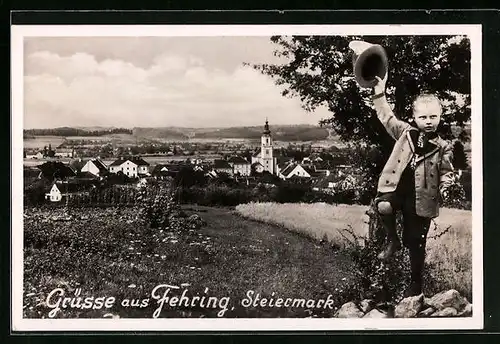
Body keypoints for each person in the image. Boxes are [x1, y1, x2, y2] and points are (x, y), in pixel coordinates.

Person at [371, 73, 455, 297]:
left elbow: (447, 172)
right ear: (414, 117)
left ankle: (415, 285)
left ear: (440, 117)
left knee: (416, 243)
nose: (429, 121)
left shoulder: (443, 146)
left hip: (421, 198)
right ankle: (392, 240)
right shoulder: (405, 133)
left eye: (434, 117)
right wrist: (379, 92)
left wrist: (446, 186)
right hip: (396, 189)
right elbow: (387, 117)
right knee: (383, 207)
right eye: (424, 117)